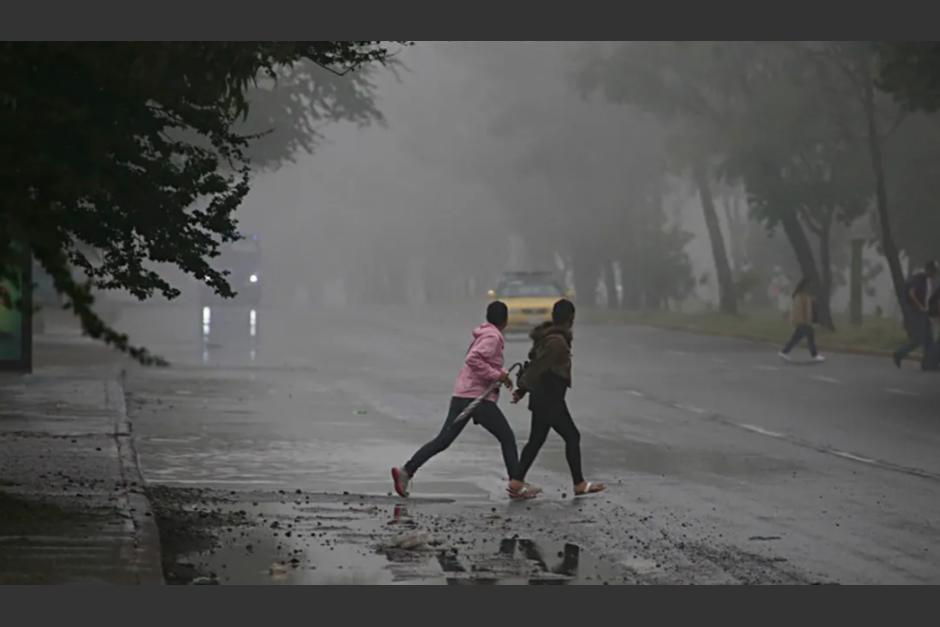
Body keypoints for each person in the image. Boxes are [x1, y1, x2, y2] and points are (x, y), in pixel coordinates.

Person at [391, 301, 535, 499]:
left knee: (443, 440)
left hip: (462, 394)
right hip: (477, 399)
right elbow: (473, 359)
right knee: (507, 437)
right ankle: (516, 485)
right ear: (505, 320)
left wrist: (500, 374)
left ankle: (406, 471)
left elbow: (483, 362)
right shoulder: (493, 337)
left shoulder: (485, 333)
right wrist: (496, 375)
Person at [510, 299, 605, 497]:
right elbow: (538, 369)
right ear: (571, 318)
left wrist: (524, 391)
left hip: (544, 397)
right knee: (572, 436)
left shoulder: (552, 338)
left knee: (536, 440)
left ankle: (516, 482)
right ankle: (579, 484)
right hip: (549, 398)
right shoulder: (557, 342)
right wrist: (523, 388)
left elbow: (537, 367)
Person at [893, 260, 937, 370]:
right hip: (915, 313)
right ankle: (899, 353)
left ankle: (928, 364)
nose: (935, 274)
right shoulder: (918, 278)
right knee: (918, 340)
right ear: (929, 270)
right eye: (934, 272)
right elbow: (911, 294)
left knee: (929, 339)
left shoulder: (925, 280)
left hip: (922, 313)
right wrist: (920, 307)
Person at [778, 278, 825, 363]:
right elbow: (799, 310)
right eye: (809, 285)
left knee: (796, 338)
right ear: (804, 286)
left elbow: (809, 308)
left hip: (804, 321)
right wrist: (803, 321)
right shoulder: (799, 296)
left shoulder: (805, 295)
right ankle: (814, 355)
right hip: (802, 321)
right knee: (809, 335)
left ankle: (784, 352)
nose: (810, 287)